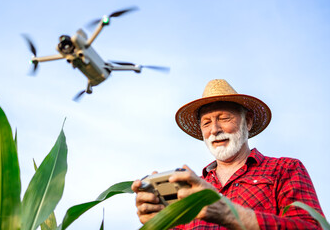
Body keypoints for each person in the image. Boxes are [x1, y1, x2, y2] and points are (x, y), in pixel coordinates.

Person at [131, 79, 325, 229]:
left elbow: (313, 227)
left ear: (247, 122)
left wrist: (230, 214)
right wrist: (158, 222)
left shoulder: (284, 169)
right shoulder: (188, 189)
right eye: (206, 123)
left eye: (224, 118)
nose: (214, 129)